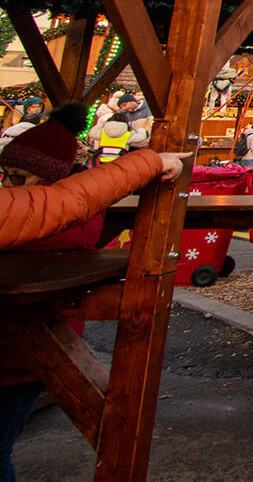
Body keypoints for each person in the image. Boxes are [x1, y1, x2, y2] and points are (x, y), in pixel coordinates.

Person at [0, 104, 188, 482]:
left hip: (17, 350)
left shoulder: (45, 214)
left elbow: (62, 204)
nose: (6, 184)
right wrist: (147, 163)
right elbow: (73, 200)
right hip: (35, 349)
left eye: (16, 177)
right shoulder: (70, 212)